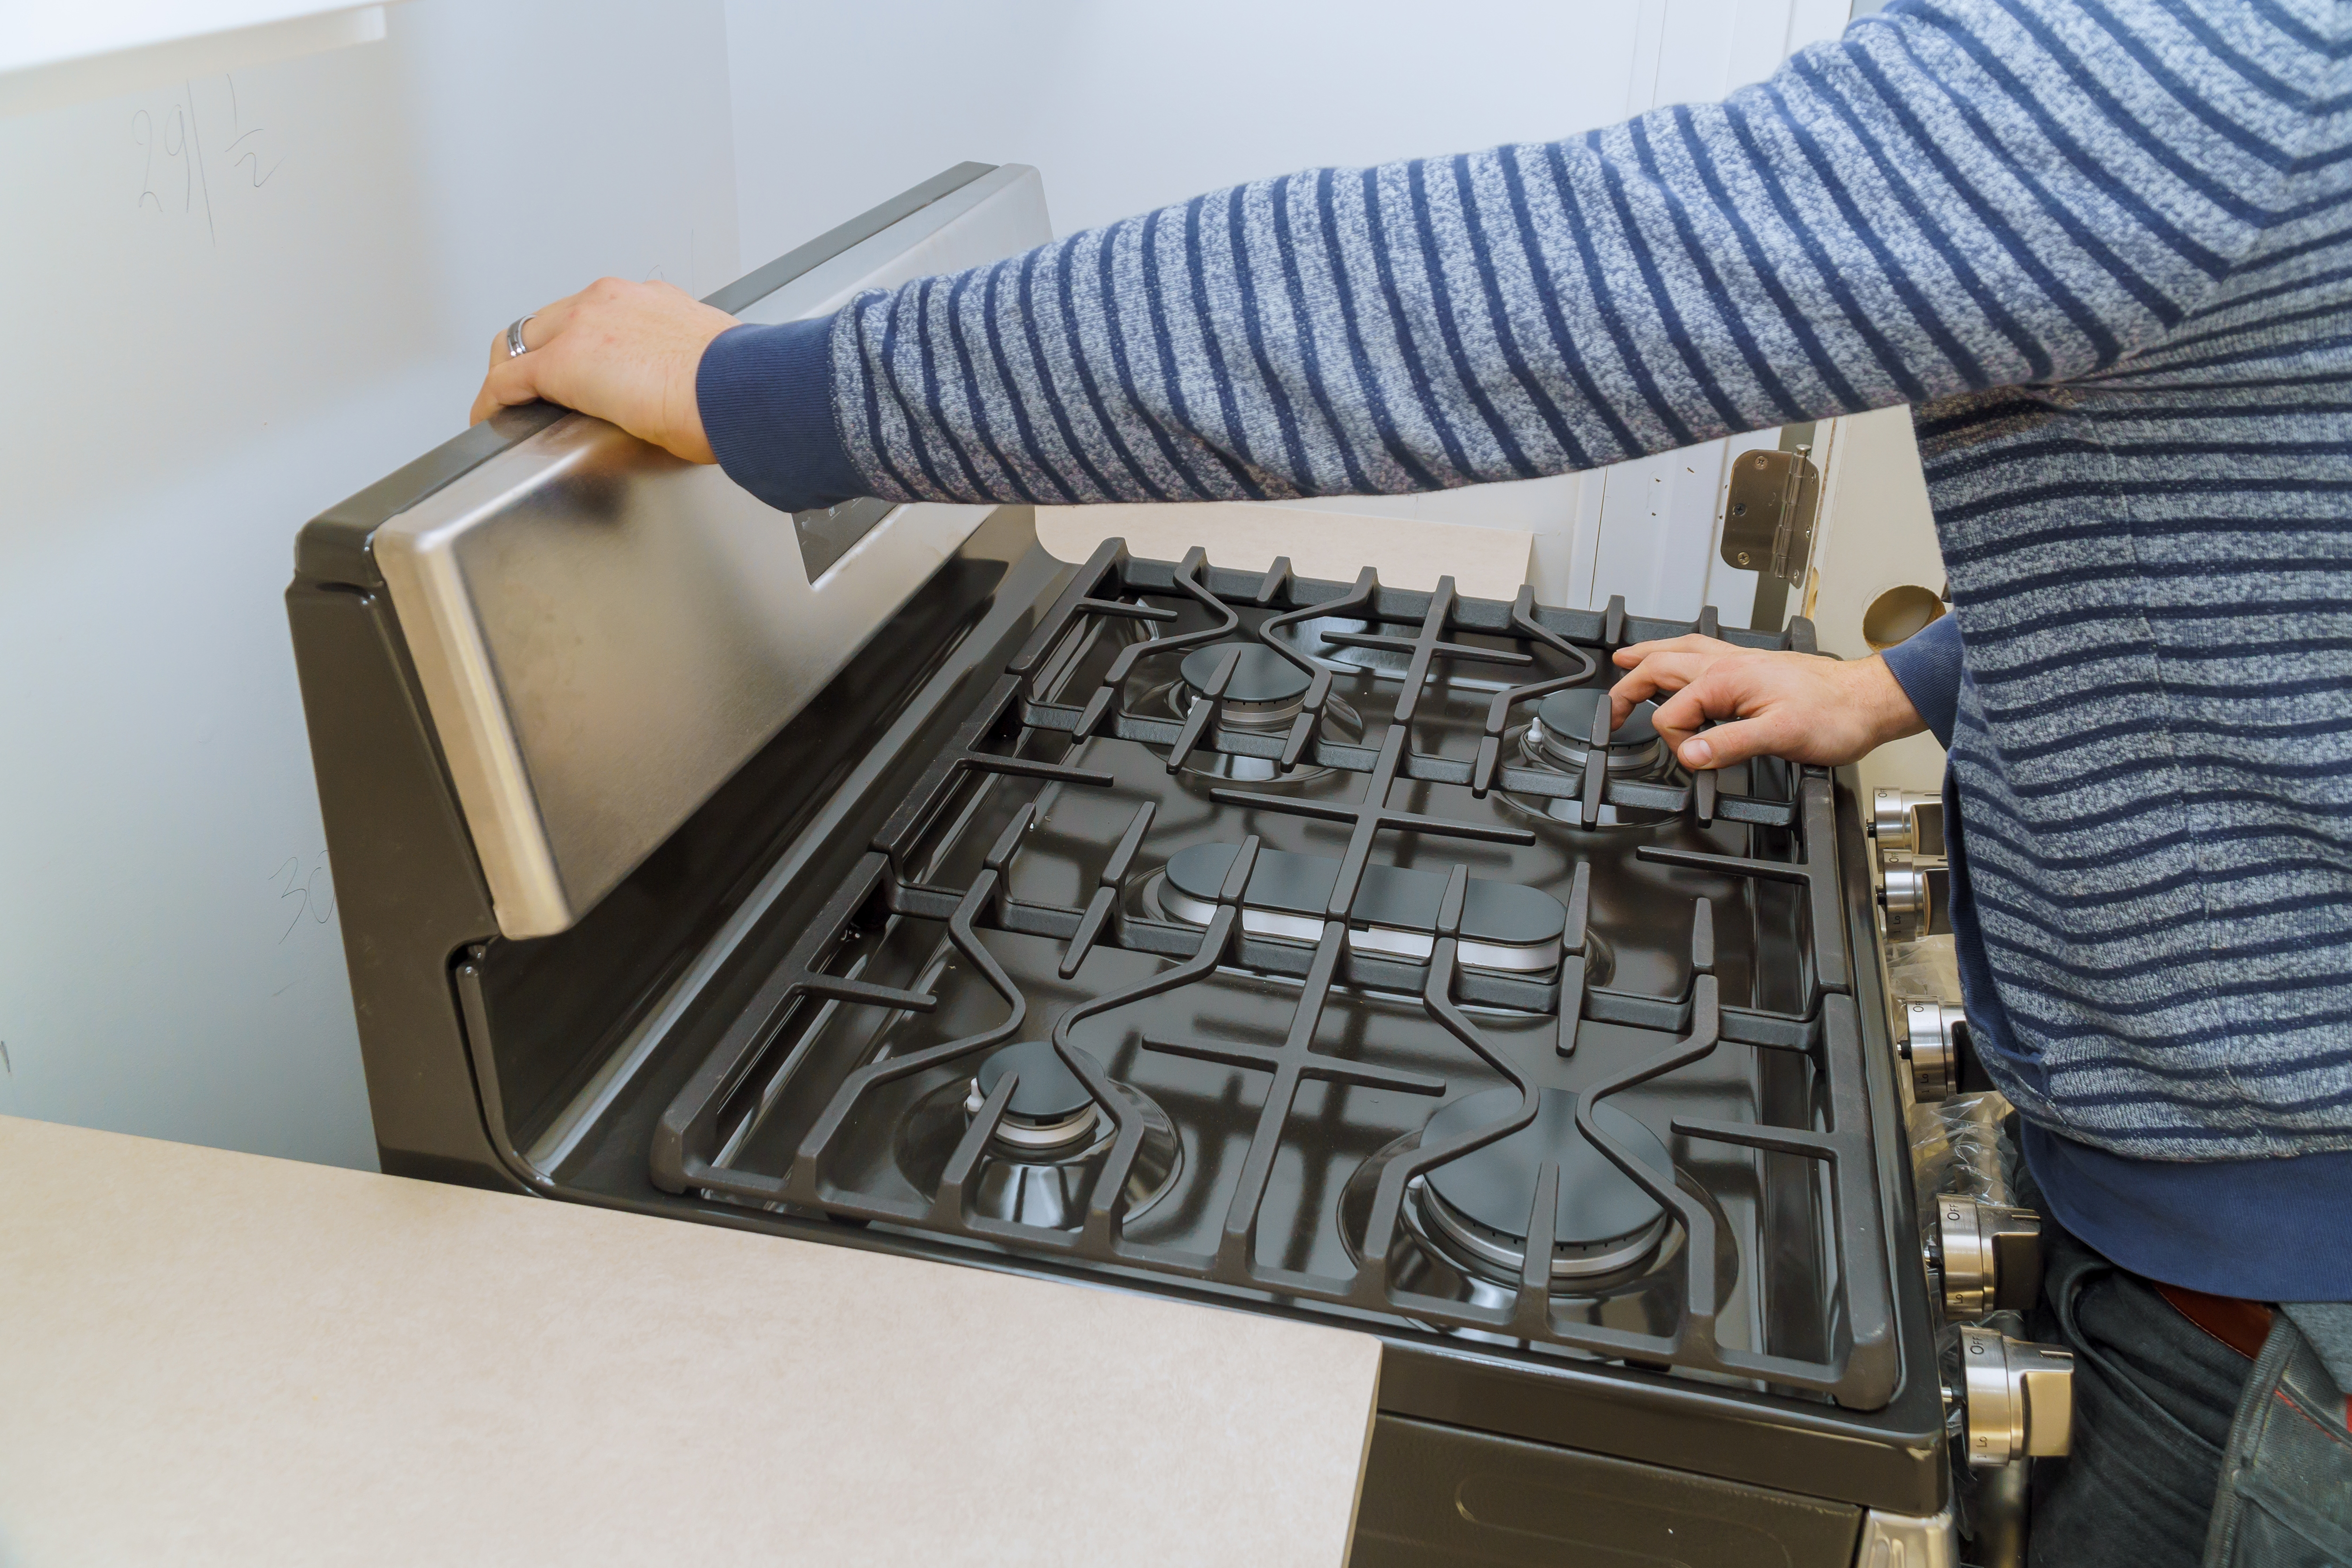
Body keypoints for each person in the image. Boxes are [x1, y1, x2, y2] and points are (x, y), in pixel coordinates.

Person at [469, 0, 2352, 1560]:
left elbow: (1510, 289)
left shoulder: (2202, 40)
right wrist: (1909, 680)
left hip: (2290, 1279)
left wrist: (761, 396)